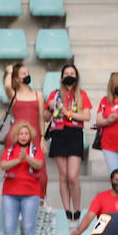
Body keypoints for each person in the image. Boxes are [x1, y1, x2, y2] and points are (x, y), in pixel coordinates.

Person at [45, 63, 92, 221]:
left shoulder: (81, 94)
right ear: (62, 77)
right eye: (66, 73)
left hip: (74, 133)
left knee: (73, 175)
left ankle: (77, 208)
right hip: (58, 133)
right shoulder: (55, 94)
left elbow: (86, 116)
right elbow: (45, 117)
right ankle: (66, 209)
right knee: (63, 175)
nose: (69, 76)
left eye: (72, 73)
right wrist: (51, 108)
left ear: (76, 77)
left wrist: (68, 112)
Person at [0, 120, 46, 235]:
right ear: (16, 135)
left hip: (31, 193)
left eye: (26, 133)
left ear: (30, 135)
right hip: (10, 193)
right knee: (8, 227)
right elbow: (3, 165)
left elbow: (39, 164)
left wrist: (26, 158)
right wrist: (18, 160)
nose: (24, 136)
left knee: (29, 226)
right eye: (21, 133)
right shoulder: (9, 150)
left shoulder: (35, 150)